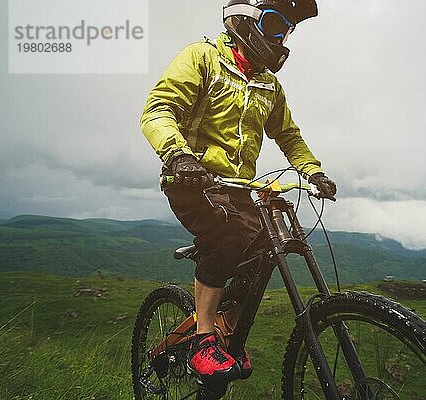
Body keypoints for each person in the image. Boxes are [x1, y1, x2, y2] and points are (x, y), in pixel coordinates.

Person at [140, 0, 336, 389]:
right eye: (275, 23)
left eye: (287, 30)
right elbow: (158, 108)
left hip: (239, 187)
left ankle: (227, 327)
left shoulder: (269, 85)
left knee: (265, 251)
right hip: (191, 179)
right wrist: (178, 155)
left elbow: (288, 135)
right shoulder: (202, 57)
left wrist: (312, 170)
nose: (280, 37)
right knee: (226, 235)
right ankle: (203, 342)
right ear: (246, 17)